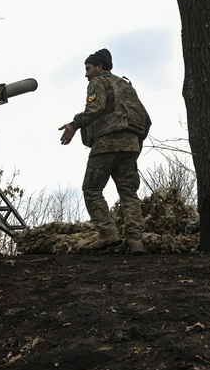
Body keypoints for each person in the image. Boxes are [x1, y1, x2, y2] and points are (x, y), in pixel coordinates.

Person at [58, 48, 149, 255]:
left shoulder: (98, 82)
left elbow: (95, 109)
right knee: (129, 193)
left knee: (91, 189)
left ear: (100, 67)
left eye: (88, 68)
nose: (86, 74)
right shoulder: (127, 86)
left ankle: (108, 234)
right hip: (130, 146)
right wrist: (135, 144)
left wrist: (74, 124)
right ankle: (136, 241)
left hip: (106, 145)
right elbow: (146, 118)